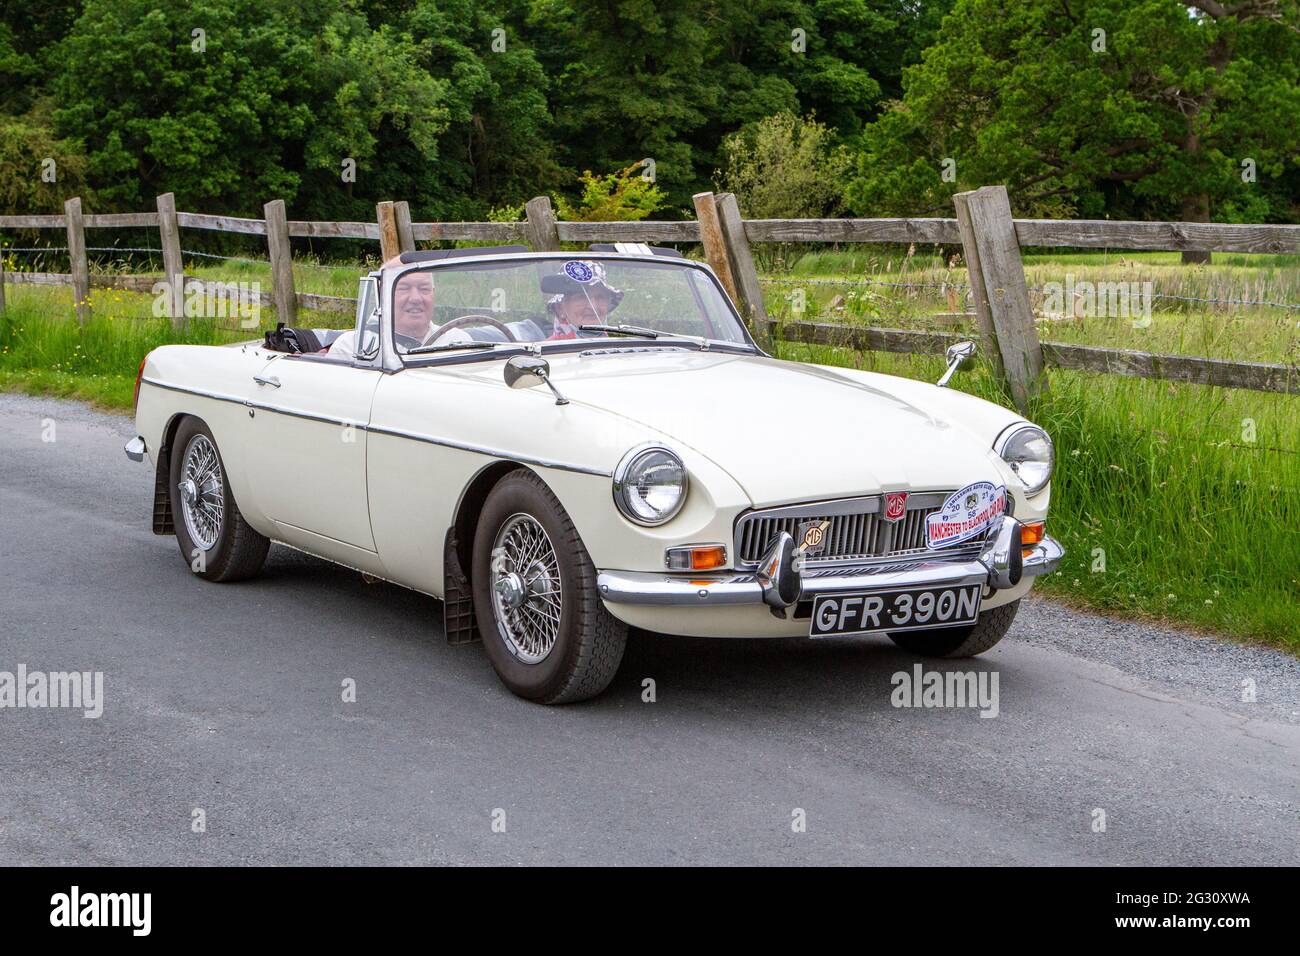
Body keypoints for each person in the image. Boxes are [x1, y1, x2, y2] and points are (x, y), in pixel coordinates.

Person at [329, 258, 450, 361]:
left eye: (424, 288)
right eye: (404, 288)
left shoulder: (457, 340)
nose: (415, 298)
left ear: (433, 294)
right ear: (383, 295)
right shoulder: (351, 347)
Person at [542, 261, 623, 340]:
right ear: (560, 308)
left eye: (600, 297)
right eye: (581, 297)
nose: (593, 306)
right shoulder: (547, 351)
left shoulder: (621, 346)